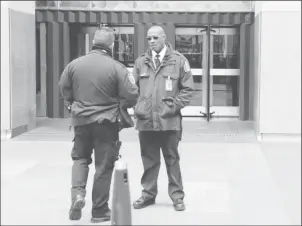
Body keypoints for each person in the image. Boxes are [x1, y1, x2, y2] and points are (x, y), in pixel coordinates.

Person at [58, 27, 138, 223]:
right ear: (111, 45)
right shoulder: (116, 67)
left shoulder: (74, 65)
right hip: (106, 123)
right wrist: (123, 104)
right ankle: (99, 211)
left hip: (81, 121)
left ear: (93, 42)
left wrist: (72, 104)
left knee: (80, 158)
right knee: (103, 166)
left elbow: (63, 89)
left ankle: (77, 195)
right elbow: (132, 93)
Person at [132, 25, 194, 211]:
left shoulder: (178, 61)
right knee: (149, 160)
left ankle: (177, 197)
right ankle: (148, 195)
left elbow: (188, 89)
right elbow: (131, 89)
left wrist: (172, 107)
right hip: (146, 122)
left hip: (169, 122)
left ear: (164, 38)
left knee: (172, 160)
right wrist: (138, 106)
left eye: (155, 38)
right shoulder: (141, 62)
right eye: (149, 38)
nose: (151, 41)